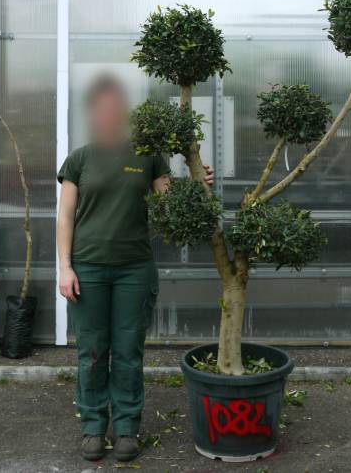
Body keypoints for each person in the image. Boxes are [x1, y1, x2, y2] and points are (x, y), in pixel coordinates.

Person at [57, 75, 213, 462]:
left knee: (128, 352)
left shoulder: (148, 156)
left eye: (115, 106)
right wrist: (65, 268)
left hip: (134, 270)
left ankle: (127, 427)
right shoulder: (79, 159)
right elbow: (65, 217)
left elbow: (169, 202)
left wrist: (198, 184)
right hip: (88, 271)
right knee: (92, 352)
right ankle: (93, 427)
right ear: (93, 113)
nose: (109, 113)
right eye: (102, 107)